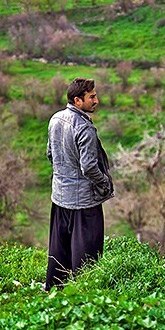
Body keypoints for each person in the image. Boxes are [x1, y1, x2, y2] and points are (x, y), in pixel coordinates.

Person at [45, 77, 114, 290]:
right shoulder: (85, 128)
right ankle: (84, 294)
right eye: (91, 97)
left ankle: (55, 290)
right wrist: (105, 184)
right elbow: (90, 168)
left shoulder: (55, 119)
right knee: (87, 254)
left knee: (60, 250)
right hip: (84, 202)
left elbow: (50, 154)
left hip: (60, 197)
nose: (97, 100)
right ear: (78, 100)